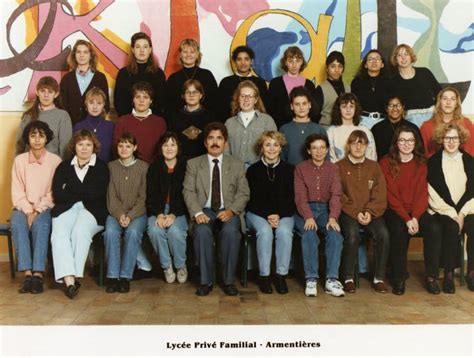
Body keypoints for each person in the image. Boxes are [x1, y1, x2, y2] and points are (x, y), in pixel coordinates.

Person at [183, 122, 250, 296]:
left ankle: (228, 281)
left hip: (228, 210)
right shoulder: (193, 164)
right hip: (203, 211)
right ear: (205, 142)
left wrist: (232, 211)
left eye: (219, 138)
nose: (215, 142)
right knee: (202, 232)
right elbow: (188, 191)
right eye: (211, 138)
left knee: (230, 232)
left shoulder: (236, 164)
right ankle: (206, 282)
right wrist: (197, 213)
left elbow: (243, 193)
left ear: (225, 142)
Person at [51, 130, 109, 299]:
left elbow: (98, 194)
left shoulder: (102, 167)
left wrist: (70, 189)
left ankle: (75, 275)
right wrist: (83, 191)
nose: (84, 148)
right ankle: (70, 282)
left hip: (92, 210)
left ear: (94, 147)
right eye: (80, 144)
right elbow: (58, 194)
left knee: (79, 231)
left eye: (88, 144)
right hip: (66, 207)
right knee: (59, 235)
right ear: (74, 146)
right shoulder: (63, 166)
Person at [11, 121, 62, 294]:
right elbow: (17, 191)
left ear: (47, 138)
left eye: (41, 135)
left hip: (45, 207)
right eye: (33, 135)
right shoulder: (19, 160)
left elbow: (53, 192)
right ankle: (27, 275)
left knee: (41, 224)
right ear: (28, 138)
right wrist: (28, 211)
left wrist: (38, 210)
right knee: (18, 223)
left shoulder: (55, 161)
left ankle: (38, 274)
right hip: (23, 207)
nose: (37, 139)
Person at [337, 130, 389, 293]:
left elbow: (380, 193)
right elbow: (339, 195)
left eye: (362, 143)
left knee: (383, 234)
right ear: (349, 146)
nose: (358, 146)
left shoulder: (374, 167)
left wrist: (369, 212)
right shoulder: (339, 166)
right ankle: (348, 277)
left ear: (367, 146)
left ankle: (379, 278)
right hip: (349, 212)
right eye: (354, 143)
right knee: (352, 234)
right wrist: (355, 212)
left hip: (371, 213)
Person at [380, 126, 430, 295]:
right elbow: (391, 196)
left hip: (416, 210)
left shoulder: (421, 163)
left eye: (410, 140)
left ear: (415, 143)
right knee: (399, 230)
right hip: (394, 210)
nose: (406, 144)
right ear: (396, 142)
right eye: (402, 140)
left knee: (433, 227)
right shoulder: (386, 162)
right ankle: (398, 278)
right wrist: (407, 219)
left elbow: (422, 194)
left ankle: (431, 277)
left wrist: (415, 217)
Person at [294, 134, 345, 297]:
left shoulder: (333, 168)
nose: (319, 151)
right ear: (309, 150)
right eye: (314, 148)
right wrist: (308, 217)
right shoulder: (300, 168)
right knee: (309, 234)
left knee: (335, 235)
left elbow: (336, 194)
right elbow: (300, 196)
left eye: (322, 147)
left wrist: (333, 217)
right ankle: (311, 279)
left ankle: (331, 279)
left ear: (327, 149)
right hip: (305, 210)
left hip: (326, 210)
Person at [426, 123, 474, 293]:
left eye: (455, 138)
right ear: (441, 139)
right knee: (450, 226)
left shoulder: (469, 161)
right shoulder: (432, 162)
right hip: (441, 209)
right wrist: (452, 214)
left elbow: (473, 192)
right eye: (447, 138)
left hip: (467, 209)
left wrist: (461, 213)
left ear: (460, 139)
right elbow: (431, 192)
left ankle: (472, 273)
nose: (451, 142)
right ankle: (447, 274)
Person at [246, 131, 295, 294]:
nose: (272, 148)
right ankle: (264, 276)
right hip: (257, 213)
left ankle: (281, 275)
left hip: (283, 213)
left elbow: (291, 198)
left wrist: (278, 215)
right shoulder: (253, 170)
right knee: (265, 232)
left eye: (275, 145)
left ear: (281, 148)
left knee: (285, 231)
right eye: (267, 145)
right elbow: (251, 199)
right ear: (261, 148)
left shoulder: (290, 170)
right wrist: (268, 215)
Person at [103, 133, 148, 293]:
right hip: (115, 213)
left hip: (138, 213)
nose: (124, 149)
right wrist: (120, 214)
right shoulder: (111, 167)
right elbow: (111, 195)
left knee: (133, 232)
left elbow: (143, 198)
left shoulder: (144, 167)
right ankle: (113, 276)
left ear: (134, 148)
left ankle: (125, 276)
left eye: (128, 146)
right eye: (121, 146)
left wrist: (130, 216)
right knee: (110, 232)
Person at [147, 132, 188, 284]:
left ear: (178, 148)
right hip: (157, 209)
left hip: (179, 210)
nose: (169, 148)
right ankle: (167, 266)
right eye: (165, 145)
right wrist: (158, 214)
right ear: (160, 148)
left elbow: (186, 194)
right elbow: (151, 194)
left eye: (173, 144)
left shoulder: (186, 166)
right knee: (155, 230)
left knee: (175, 232)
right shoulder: (154, 167)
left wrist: (173, 214)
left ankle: (180, 265)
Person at [16, 76, 72, 159]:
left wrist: (62, 169)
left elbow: (65, 147)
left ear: (56, 94)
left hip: (53, 166)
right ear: (37, 92)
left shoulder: (63, 116)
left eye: (50, 92)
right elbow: (20, 145)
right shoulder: (29, 115)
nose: (46, 95)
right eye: (43, 91)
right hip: (29, 165)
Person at [114, 32, 166, 117]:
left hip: (152, 120)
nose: (142, 50)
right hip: (128, 120)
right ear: (133, 50)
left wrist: (149, 119)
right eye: (138, 47)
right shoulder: (123, 74)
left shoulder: (158, 74)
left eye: (145, 47)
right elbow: (119, 103)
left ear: (150, 50)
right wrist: (133, 119)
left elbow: (161, 102)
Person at [225, 80, 276, 167]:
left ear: (255, 100)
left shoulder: (267, 120)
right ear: (238, 98)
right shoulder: (229, 123)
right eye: (243, 96)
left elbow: (273, 147)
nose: (246, 99)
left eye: (250, 96)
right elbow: (225, 149)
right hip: (234, 169)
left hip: (258, 169)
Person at [113, 81, 167, 163]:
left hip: (153, 168)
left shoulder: (160, 122)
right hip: (128, 167)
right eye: (137, 97)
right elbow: (116, 147)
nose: (141, 100)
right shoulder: (122, 121)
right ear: (133, 100)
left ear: (151, 100)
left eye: (145, 97)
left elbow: (163, 150)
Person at [389, 43, 441, 128]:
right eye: (399, 55)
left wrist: (436, 110)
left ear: (411, 57)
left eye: (406, 54)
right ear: (395, 59)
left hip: (431, 115)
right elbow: (391, 104)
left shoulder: (424, 72)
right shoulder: (392, 80)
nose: (403, 58)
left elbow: (440, 93)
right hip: (409, 118)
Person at [60, 39, 110, 125]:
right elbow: (62, 105)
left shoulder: (100, 78)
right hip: (70, 125)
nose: (81, 55)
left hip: (93, 125)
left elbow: (106, 105)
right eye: (78, 52)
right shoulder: (67, 79)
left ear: (91, 56)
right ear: (74, 55)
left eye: (85, 52)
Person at [268, 46, 317, 128]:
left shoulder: (309, 85)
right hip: (279, 128)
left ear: (302, 62)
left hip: (304, 127)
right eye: (290, 61)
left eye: (297, 61)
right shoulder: (275, 83)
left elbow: (313, 111)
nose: (294, 65)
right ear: (285, 62)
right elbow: (270, 110)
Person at [166, 39, 218, 114]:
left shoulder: (207, 75)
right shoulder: (173, 78)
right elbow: (169, 105)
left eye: (192, 52)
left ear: (197, 55)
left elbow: (214, 101)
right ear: (180, 55)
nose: (188, 55)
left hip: (204, 118)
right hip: (179, 119)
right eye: (185, 52)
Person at [218, 45, 269, 120]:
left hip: (256, 123)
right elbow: (221, 108)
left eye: (246, 59)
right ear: (234, 62)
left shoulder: (260, 82)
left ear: (251, 61)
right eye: (239, 59)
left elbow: (264, 108)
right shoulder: (226, 82)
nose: (243, 63)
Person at [420, 87, 474, 158]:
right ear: (439, 102)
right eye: (445, 99)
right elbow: (423, 155)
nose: (448, 102)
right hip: (435, 167)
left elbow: (471, 152)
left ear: (456, 104)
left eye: (452, 99)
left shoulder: (466, 124)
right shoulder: (426, 127)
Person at [280, 86, 326, 166]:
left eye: (304, 103)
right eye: (297, 104)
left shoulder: (319, 130)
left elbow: (326, 159)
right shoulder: (284, 130)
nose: (301, 107)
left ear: (310, 105)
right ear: (291, 106)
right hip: (291, 174)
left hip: (316, 175)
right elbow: (281, 158)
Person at [168, 79, 213, 158]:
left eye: (195, 92)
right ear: (183, 95)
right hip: (180, 160)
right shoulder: (175, 116)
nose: (191, 95)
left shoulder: (210, 116)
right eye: (188, 92)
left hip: (203, 160)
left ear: (201, 95)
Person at [327, 93, 377, 162]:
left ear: (356, 108)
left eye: (351, 106)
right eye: (344, 106)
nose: (348, 110)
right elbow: (331, 159)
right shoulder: (331, 131)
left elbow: (372, 158)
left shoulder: (365, 130)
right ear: (338, 109)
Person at [351, 50, 391, 129]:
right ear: (365, 64)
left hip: (383, 121)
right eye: (370, 59)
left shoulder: (389, 82)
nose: (374, 61)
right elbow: (353, 104)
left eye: (377, 59)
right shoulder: (357, 82)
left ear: (382, 64)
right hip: (362, 121)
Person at [73, 87, 115, 162]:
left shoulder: (111, 126)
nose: (95, 107)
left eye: (99, 103)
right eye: (91, 103)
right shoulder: (78, 126)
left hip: (106, 169)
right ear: (86, 104)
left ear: (104, 105)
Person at [314, 51, 350, 129]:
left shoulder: (348, 88)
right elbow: (314, 116)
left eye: (340, 66)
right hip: (326, 129)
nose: (336, 70)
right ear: (327, 68)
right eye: (333, 66)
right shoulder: (320, 89)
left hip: (345, 128)